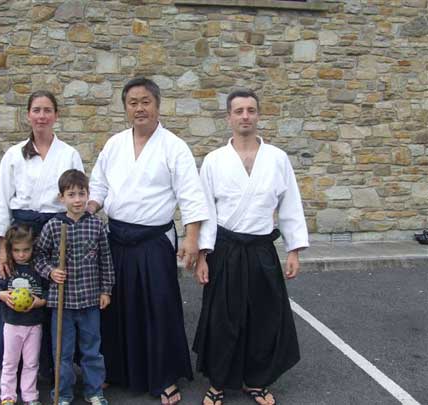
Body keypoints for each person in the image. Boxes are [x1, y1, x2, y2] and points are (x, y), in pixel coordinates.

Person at [87, 77, 209, 405]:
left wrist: (192, 237)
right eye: (133, 102)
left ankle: (163, 376)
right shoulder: (114, 144)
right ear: (125, 108)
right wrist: (88, 211)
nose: (139, 108)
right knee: (116, 307)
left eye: (145, 102)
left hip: (154, 240)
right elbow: (98, 185)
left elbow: (191, 195)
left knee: (160, 307)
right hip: (116, 238)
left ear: (157, 105)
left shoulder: (174, 146)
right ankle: (116, 369)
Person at [192, 89, 310, 405]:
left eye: (251, 110)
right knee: (222, 319)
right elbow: (205, 211)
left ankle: (256, 381)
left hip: (261, 249)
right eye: (239, 111)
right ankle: (218, 382)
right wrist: (203, 255)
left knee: (264, 317)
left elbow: (290, 204)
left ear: (258, 115)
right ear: (228, 117)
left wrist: (293, 249)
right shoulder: (215, 160)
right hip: (226, 250)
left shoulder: (277, 158)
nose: (245, 116)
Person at [0, 90, 84, 375]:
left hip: (56, 233)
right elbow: (1, 201)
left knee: (54, 300)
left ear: (56, 115)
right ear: (28, 115)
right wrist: (2, 249)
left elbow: (76, 199)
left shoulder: (69, 154)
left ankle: (53, 369)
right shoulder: (14, 155)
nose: (42, 116)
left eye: (48, 110)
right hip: (21, 237)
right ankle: (12, 370)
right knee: (17, 295)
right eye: (37, 110)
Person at [34, 169, 114, 405]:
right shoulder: (53, 226)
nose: (77, 199)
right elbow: (38, 257)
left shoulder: (96, 226)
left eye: (82, 193)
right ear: (62, 198)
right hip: (62, 303)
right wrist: (50, 271)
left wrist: (105, 290)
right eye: (71, 194)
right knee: (63, 352)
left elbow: (105, 261)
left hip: (90, 301)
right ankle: (63, 393)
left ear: (88, 195)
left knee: (92, 351)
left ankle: (94, 391)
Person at [0, 224, 47, 405]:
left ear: (32, 248)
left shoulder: (38, 268)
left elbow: (47, 291)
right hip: (12, 324)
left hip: (34, 324)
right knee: (10, 362)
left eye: (26, 250)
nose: (21, 254)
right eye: (16, 250)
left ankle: (30, 396)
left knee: (31, 363)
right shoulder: (7, 269)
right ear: (10, 250)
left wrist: (41, 301)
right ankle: (8, 396)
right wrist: (2, 295)